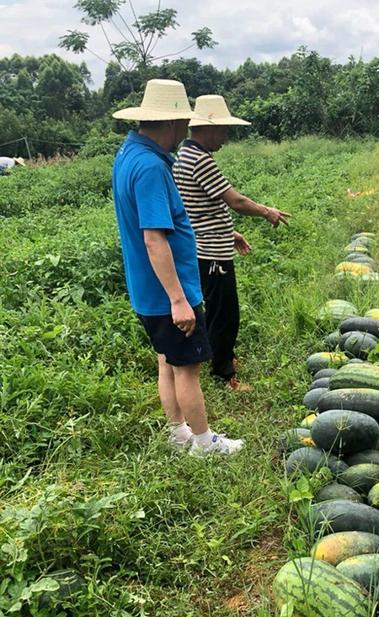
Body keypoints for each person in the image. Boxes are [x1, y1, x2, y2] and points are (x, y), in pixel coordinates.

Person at [111, 79, 244, 457]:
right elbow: (155, 239)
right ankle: (204, 443)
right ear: (171, 123)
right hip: (168, 291)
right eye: (184, 122)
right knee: (187, 369)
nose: (185, 129)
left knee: (166, 362)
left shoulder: (127, 153)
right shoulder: (151, 166)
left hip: (146, 289)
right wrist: (179, 299)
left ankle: (178, 432)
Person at [173, 95, 290, 390]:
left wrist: (230, 233)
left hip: (209, 244)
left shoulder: (185, 154)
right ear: (208, 129)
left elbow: (198, 206)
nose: (225, 137)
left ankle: (221, 357)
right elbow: (235, 200)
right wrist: (267, 212)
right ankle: (223, 374)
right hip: (211, 253)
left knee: (218, 309)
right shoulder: (199, 160)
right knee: (225, 314)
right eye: (223, 130)